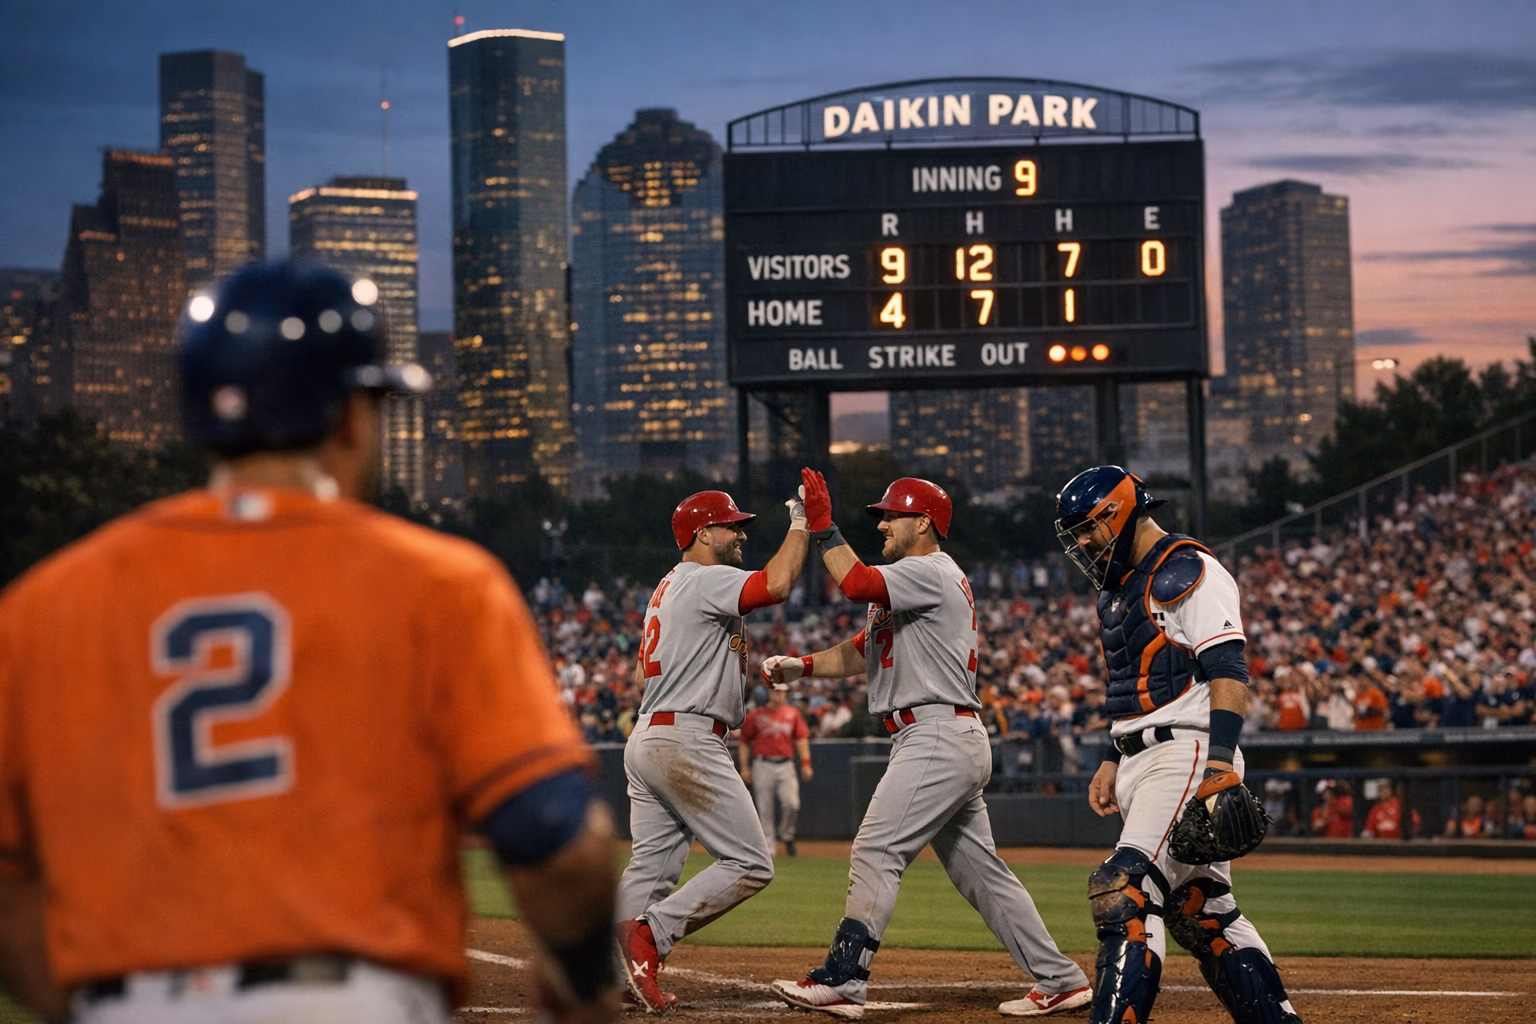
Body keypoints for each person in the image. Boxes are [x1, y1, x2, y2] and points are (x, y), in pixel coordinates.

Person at [0, 261, 619, 1024]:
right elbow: (558, 840)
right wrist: (580, 979)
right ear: (352, 418)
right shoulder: (439, 582)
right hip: (352, 1001)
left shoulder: (42, 604)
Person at [765, 471, 1090, 1019]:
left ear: (923, 523)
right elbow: (866, 647)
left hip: (936, 733)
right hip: (941, 734)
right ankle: (1060, 979)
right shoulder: (913, 578)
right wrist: (805, 667)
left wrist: (823, 528)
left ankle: (845, 979)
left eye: (892, 515)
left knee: (876, 849)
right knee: (982, 875)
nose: (884, 523)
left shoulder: (929, 570)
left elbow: (855, 583)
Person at [1055, 465, 1303, 1024]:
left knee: (1126, 887)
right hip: (1143, 755)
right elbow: (1135, 684)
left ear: (1117, 512)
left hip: (1188, 752)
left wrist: (1220, 764)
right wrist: (1112, 756)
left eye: (1088, 528)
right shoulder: (1122, 587)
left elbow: (1228, 669)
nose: (1084, 543)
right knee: (1202, 912)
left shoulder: (1187, 568)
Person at [614, 488, 808, 1012]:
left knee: (651, 866)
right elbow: (778, 583)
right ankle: (651, 936)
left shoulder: (667, 586)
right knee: (751, 862)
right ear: (703, 535)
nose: (741, 533)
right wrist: (802, 523)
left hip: (651, 733)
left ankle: (616, 975)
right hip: (687, 737)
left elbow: (638, 674)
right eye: (731, 526)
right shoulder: (704, 578)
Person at [739, 681, 813, 857]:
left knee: (792, 804)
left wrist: (806, 764)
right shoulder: (756, 715)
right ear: (769, 693)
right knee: (765, 808)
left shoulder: (792, 714)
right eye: (776, 691)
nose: (780, 695)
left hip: (786, 764)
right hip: (762, 763)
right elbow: (744, 742)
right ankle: (769, 849)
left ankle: (787, 835)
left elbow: (801, 739)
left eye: (782, 692)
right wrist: (745, 767)